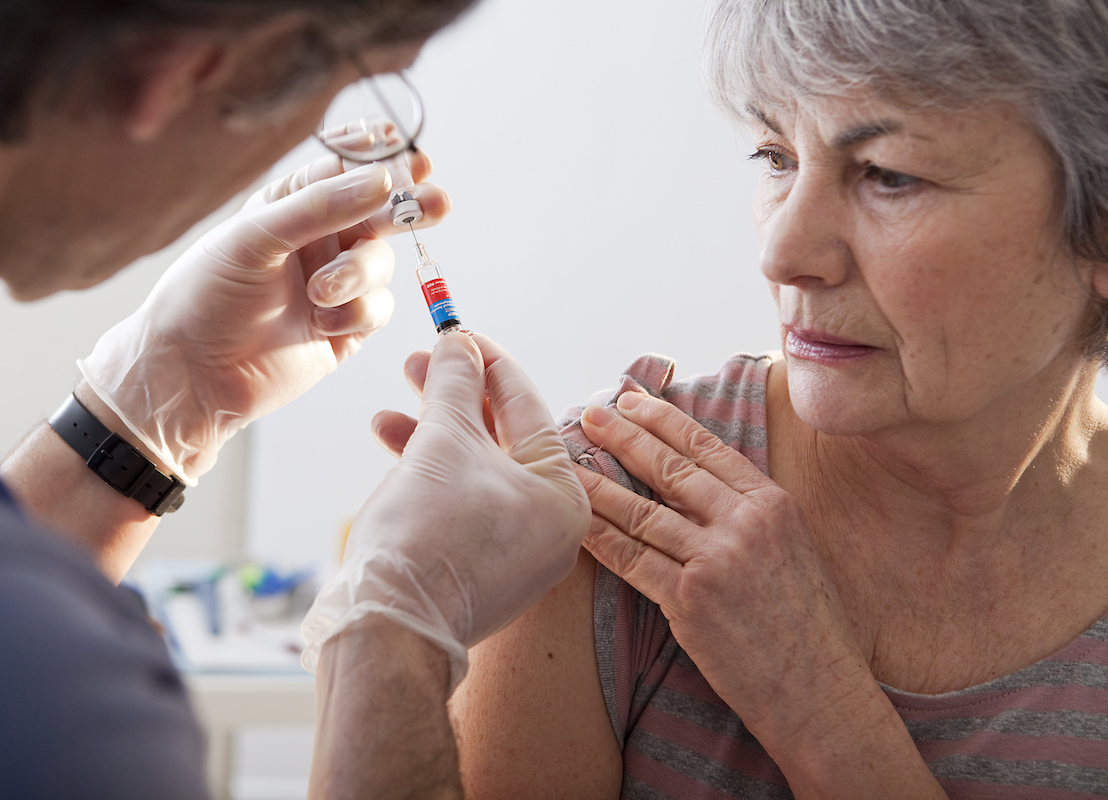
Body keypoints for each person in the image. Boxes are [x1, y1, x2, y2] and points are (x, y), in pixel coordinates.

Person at [0, 1, 591, 797]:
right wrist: (391, 636)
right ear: (184, 72)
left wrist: (153, 409)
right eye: (342, 91)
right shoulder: (46, 711)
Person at [443, 0, 1108, 798]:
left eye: (888, 175)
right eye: (776, 156)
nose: (782, 253)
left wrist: (821, 707)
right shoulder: (607, 510)